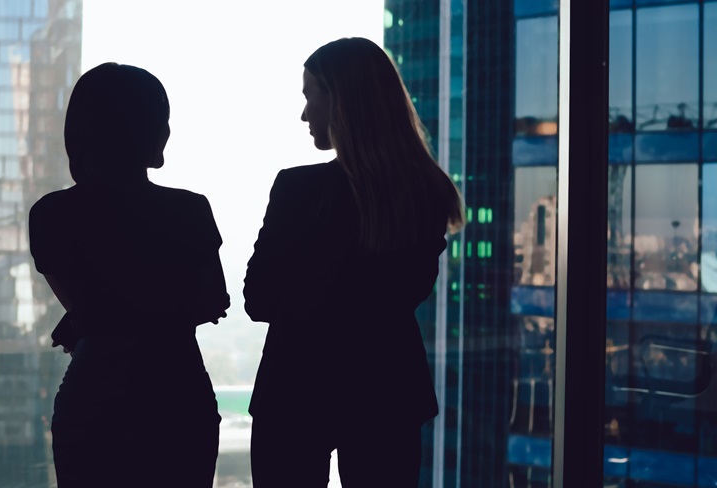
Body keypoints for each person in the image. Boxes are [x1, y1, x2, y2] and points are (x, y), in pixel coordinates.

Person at [244, 37, 464, 487]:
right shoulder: (426, 194)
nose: (304, 114)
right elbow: (396, 297)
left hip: (293, 388)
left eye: (310, 96)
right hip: (386, 391)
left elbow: (258, 299)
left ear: (340, 99)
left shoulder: (297, 189)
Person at [28, 62, 228, 488]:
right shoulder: (190, 210)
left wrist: (94, 317)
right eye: (163, 120)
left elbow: (87, 307)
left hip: (95, 395)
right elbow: (211, 302)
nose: (168, 132)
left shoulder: (53, 215)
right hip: (178, 394)